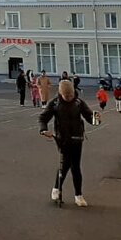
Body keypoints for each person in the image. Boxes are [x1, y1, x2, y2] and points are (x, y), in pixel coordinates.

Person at [39, 79, 95, 207]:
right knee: (65, 164)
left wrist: (96, 119)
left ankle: (78, 195)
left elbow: (89, 116)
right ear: (60, 93)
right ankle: (56, 189)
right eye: (66, 96)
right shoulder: (55, 103)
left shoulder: (79, 102)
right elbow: (43, 118)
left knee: (75, 167)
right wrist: (43, 130)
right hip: (62, 139)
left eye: (71, 95)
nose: (69, 98)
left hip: (77, 138)